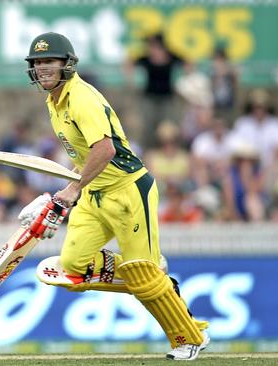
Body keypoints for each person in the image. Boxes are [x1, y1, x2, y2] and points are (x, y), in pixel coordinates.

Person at [17, 32, 209, 360]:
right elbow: (82, 157)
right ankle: (150, 273)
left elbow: (104, 150)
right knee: (73, 267)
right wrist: (59, 195)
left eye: (49, 61)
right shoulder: (53, 101)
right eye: (37, 63)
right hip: (94, 194)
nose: (42, 68)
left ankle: (188, 336)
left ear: (67, 64)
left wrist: (71, 190)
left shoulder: (81, 98)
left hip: (128, 190)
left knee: (143, 277)